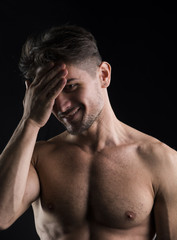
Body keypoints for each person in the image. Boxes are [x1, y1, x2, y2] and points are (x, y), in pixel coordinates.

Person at [0, 25, 177, 240]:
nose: (61, 106)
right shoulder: (37, 158)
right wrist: (29, 121)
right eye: (49, 93)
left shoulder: (161, 161)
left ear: (103, 75)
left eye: (71, 86)